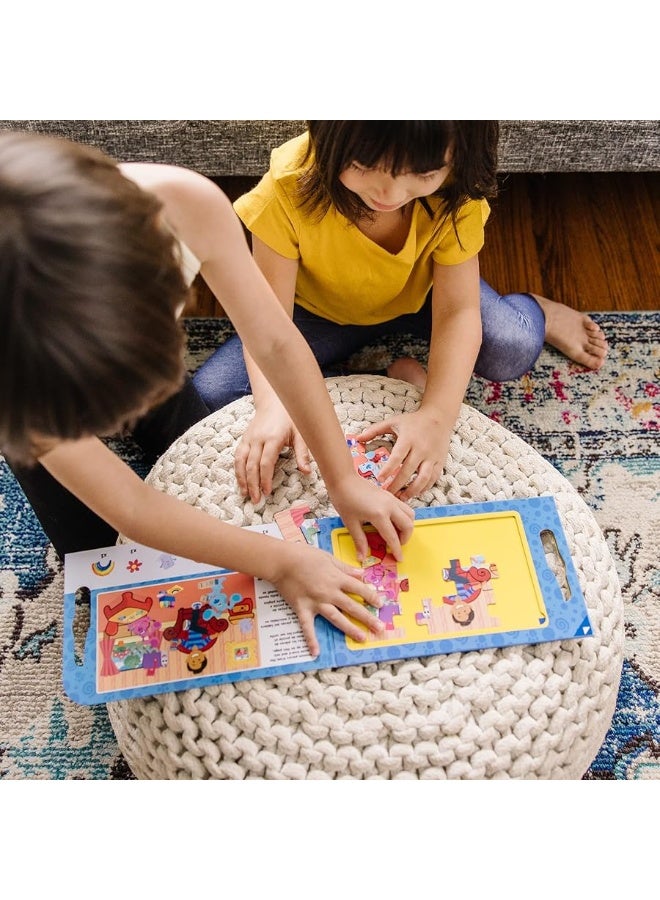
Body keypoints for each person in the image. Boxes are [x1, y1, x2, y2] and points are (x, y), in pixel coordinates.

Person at [0, 130, 416, 658]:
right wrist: (280, 561)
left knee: (206, 469)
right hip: (26, 387)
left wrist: (343, 477)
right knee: (99, 561)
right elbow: (129, 506)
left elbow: (274, 340)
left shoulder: (184, 202)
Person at [192, 121, 608, 503]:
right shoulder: (287, 189)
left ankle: (536, 310)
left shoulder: (455, 192)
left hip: (425, 296)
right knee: (215, 395)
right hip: (317, 313)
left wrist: (437, 417)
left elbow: (458, 314)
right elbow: (268, 323)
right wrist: (274, 405)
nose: (388, 194)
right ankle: (386, 378)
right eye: (364, 165)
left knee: (512, 346)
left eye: (422, 175)